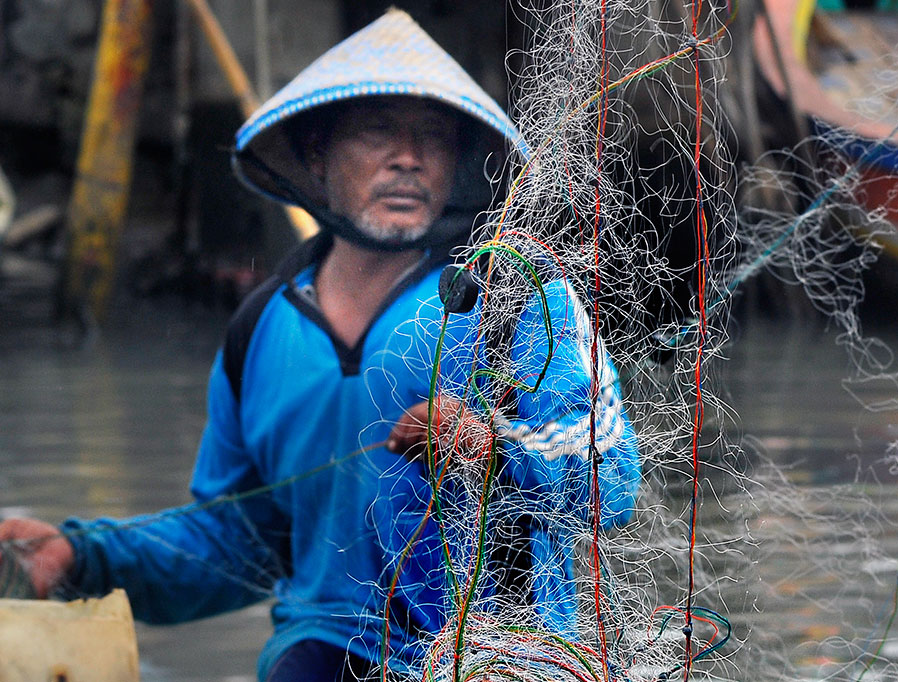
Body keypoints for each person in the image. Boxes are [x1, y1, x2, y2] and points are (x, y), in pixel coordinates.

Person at [0, 10, 639, 681]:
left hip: (496, 657)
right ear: (315, 151)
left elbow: (612, 473)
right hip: (321, 653)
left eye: (433, 137)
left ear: (457, 163)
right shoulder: (258, 327)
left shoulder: (516, 295)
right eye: (375, 131)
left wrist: (491, 450)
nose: (408, 158)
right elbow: (241, 542)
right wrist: (81, 558)